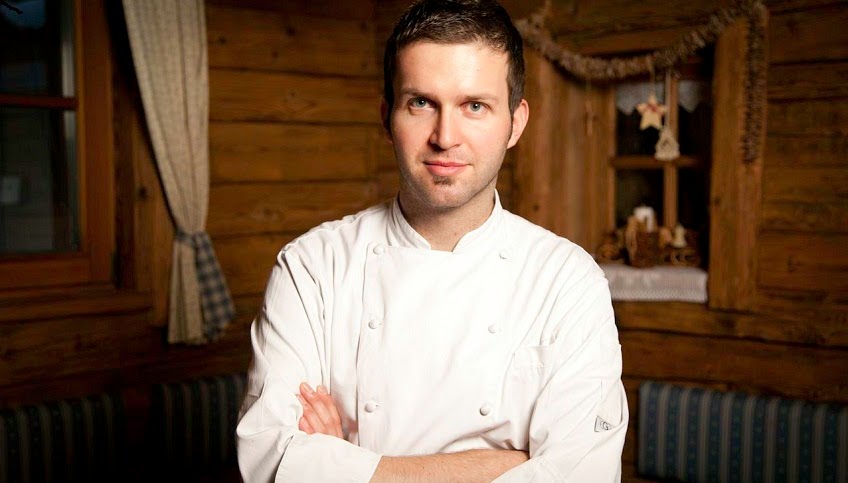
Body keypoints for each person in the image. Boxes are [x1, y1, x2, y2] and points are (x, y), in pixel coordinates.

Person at [235, 0, 628, 480]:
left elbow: (583, 475)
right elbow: (270, 462)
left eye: (475, 106)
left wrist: (343, 467)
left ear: (516, 123)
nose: (445, 136)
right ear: (387, 116)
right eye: (421, 103)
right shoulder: (312, 268)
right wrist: (511, 465)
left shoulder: (568, 282)